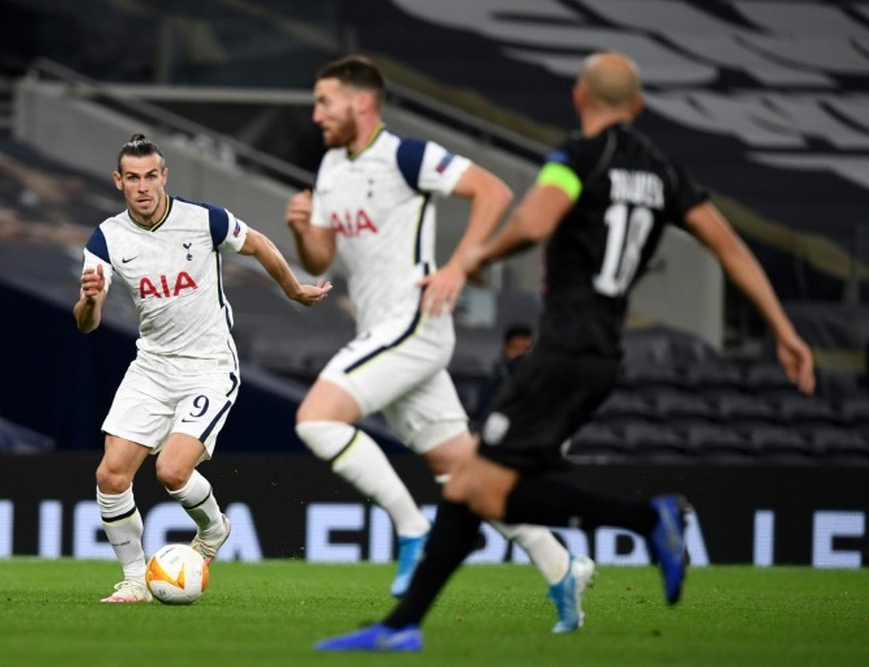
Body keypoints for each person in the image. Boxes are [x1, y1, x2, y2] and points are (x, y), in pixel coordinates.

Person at [315, 50, 816, 651]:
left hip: (561, 350)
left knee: (475, 485)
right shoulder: (663, 172)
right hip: (605, 353)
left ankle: (644, 520)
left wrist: (473, 258)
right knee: (474, 483)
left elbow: (534, 219)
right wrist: (785, 331)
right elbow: (730, 247)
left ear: (579, 98)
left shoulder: (575, 158)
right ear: (640, 105)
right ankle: (409, 625)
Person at [286, 55, 593, 633]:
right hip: (381, 331)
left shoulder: (405, 155)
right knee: (464, 472)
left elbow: (493, 191)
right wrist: (304, 229)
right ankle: (562, 564)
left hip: (413, 322)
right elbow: (321, 259)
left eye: (325, 101)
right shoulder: (331, 166)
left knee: (316, 420)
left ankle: (411, 528)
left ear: (362, 103)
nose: (316, 113)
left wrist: (459, 264)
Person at [75, 133, 331, 603]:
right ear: (119, 182)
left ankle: (213, 530)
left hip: (209, 365)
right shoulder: (107, 238)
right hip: (152, 366)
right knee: (111, 476)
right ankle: (134, 580)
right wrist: (90, 301)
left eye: (151, 176)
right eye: (133, 178)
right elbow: (87, 325)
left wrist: (293, 289)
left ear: (164, 176)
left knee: (172, 472)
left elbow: (257, 244)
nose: (144, 187)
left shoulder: (203, 220)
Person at [473, 322, 535, 422]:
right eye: (516, 349)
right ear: (505, 349)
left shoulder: (537, 380)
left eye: (526, 350)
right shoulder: (493, 377)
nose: (521, 356)